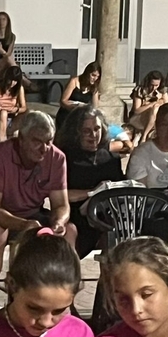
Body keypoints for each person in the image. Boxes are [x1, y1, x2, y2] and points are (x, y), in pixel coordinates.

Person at [0, 110, 75, 316]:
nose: (44, 148)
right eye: (37, 142)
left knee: (70, 231)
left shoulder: (57, 157)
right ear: (21, 139)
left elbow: (61, 204)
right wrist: (23, 225)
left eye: (48, 142)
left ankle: (62, 298)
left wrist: (59, 222)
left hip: (30, 213)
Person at [57, 106, 124, 258]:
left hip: (105, 217)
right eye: (86, 131)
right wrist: (93, 192)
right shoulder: (64, 158)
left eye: (97, 129)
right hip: (75, 217)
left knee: (115, 235)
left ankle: (109, 273)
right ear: (76, 132)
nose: (93, 135)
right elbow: (59, 195)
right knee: (69, 233)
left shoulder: (111, 158)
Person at [0, 65, 27, 144]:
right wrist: (1, 111)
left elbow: (24, 107)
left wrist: (15, 110)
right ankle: (2, 143)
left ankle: (25, 141)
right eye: (10, 80)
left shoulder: (19, 89)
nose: (12, 83)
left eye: (15, 81)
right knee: (3, 113)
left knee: (29, 113)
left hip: (11, 120)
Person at [56, 62, 101, 131]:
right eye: (93, 75)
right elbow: (63, 100)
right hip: (66, 115)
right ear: (87, 73)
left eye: (97, 77)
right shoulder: (74, 81)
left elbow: (95, 107)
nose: (95, 78)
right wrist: (75, 106)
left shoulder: (94, 88)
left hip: (80, 118)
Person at [126, 70, 166, 144]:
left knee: (157, 108)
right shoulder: (140, 90)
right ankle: (144, 136)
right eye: (151, 85)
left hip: (154, 119)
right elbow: (137, 110)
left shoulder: (161, 91)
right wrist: (152, 103)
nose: (153, 88)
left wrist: (160, 101)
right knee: (155, 108)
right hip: (138, 118)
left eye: (156, 85)